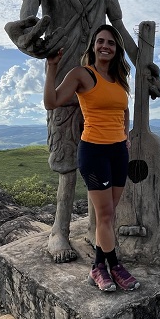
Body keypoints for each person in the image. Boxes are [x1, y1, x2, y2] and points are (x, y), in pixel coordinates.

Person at [5, 0, 160, 264]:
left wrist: (144, 65)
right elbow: (29, 6)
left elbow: (119, 28)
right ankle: (59, 230)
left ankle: (99, 230)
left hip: (104, 72)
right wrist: (23, 31)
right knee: (66, 151)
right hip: (65, 65)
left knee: (108, 146)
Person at [43, 24, 140, 291]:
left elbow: (124, 109)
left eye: (110, 42)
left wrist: (125, 134)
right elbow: (51, 102)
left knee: (109, 215)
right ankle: (115, 267)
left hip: (119, 152)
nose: (105, 46)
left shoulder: (119, 79)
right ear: (93, 46)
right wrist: (52, 66)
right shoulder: (82, 74)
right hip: (94, 152)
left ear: (116, 49)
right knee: (106, 214)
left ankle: (98, 267)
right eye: (100, 41)